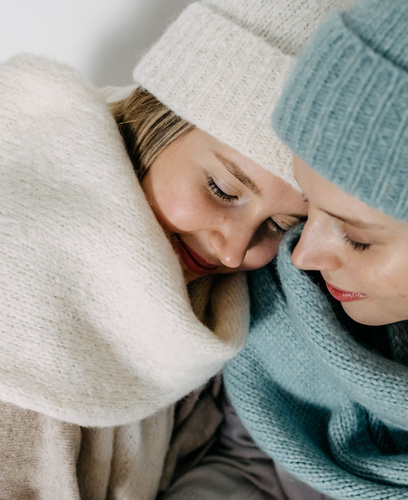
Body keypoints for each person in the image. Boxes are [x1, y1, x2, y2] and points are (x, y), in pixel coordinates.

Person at [0, 0, 355, 497]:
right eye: (223, 190)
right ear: (160, 116)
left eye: (278, 224)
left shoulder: (213, 310)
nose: (232, 253)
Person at [225, 0, 408, 498]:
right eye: (305, 212)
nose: (302, 255)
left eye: (358, 237)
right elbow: (241, 463)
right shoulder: (278, 307)